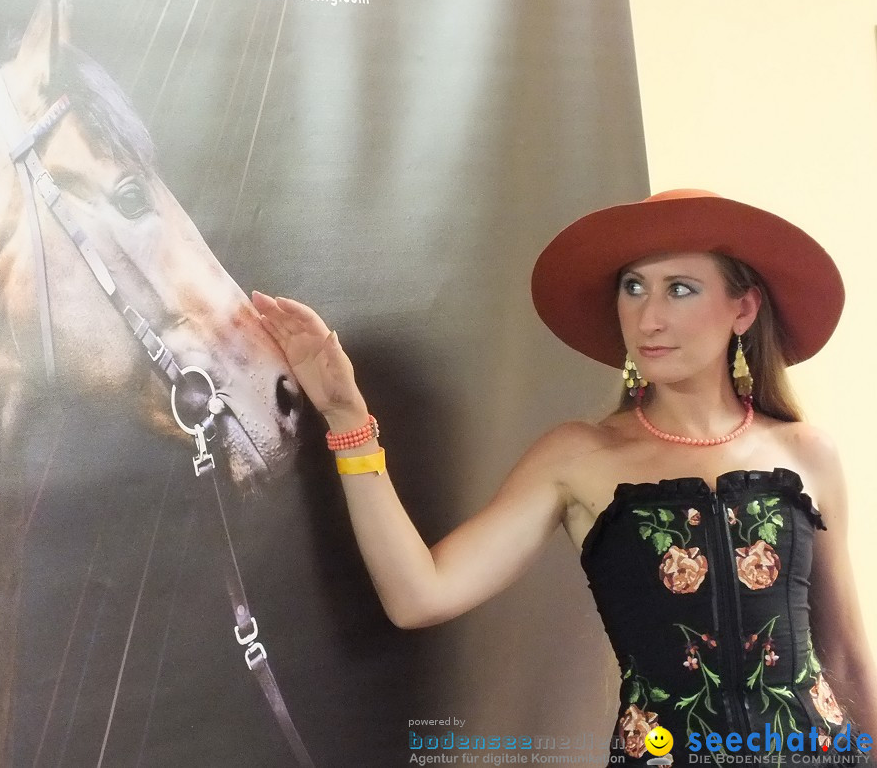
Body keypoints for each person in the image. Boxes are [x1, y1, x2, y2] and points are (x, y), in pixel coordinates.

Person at [252, 189, 877, 765]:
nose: (649, 318)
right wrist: (347, 419)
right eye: (634, 287)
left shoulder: (806, 454)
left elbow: (846, 658)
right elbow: (419, 595)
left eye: (680, 289)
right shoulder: (579, 456)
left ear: (743, 308)